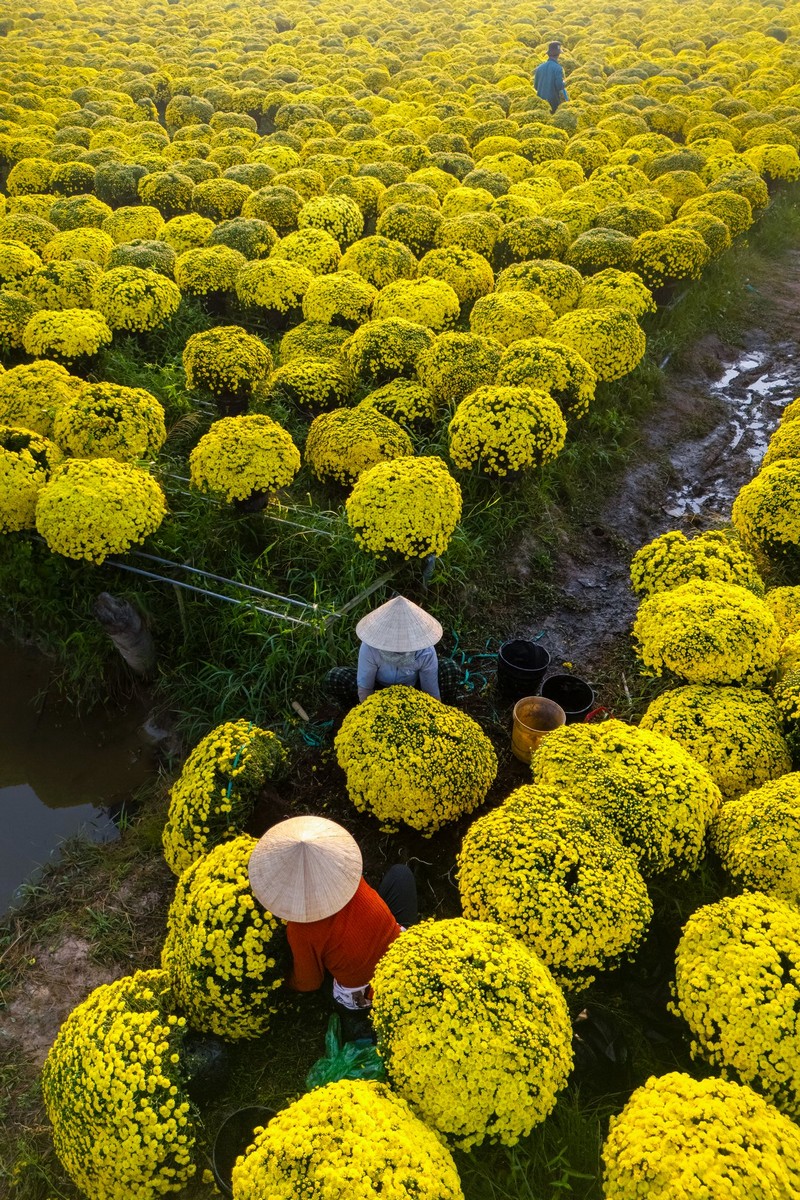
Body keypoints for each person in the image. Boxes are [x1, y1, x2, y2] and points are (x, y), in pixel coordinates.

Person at [248, 815, 417, 1038]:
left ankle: (358, 1022)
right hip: (403, 957)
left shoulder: (300, 930)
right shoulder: (350, 877)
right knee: (400, 875)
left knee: (327, 987)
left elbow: (309, 983)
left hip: (365, 994)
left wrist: (284, 981)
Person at [324, 594, 463, 707]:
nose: (399, 648)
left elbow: (430, 691)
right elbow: (365, 687)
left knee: (450, 669)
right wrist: (369, 714)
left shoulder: (425, 652)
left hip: (413, 688)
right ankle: (351, 716)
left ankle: (448, 712)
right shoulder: (370, 648)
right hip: (379, 687)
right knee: (336, 676)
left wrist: (433, 717)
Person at [534, 42, 568, 113]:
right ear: (558, 55)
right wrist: (564, 82)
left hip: (541, 103)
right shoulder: (558, 68)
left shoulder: (539, 68)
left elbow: (536, 87)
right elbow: (559, 86)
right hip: (554, 103)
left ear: (549, 54)